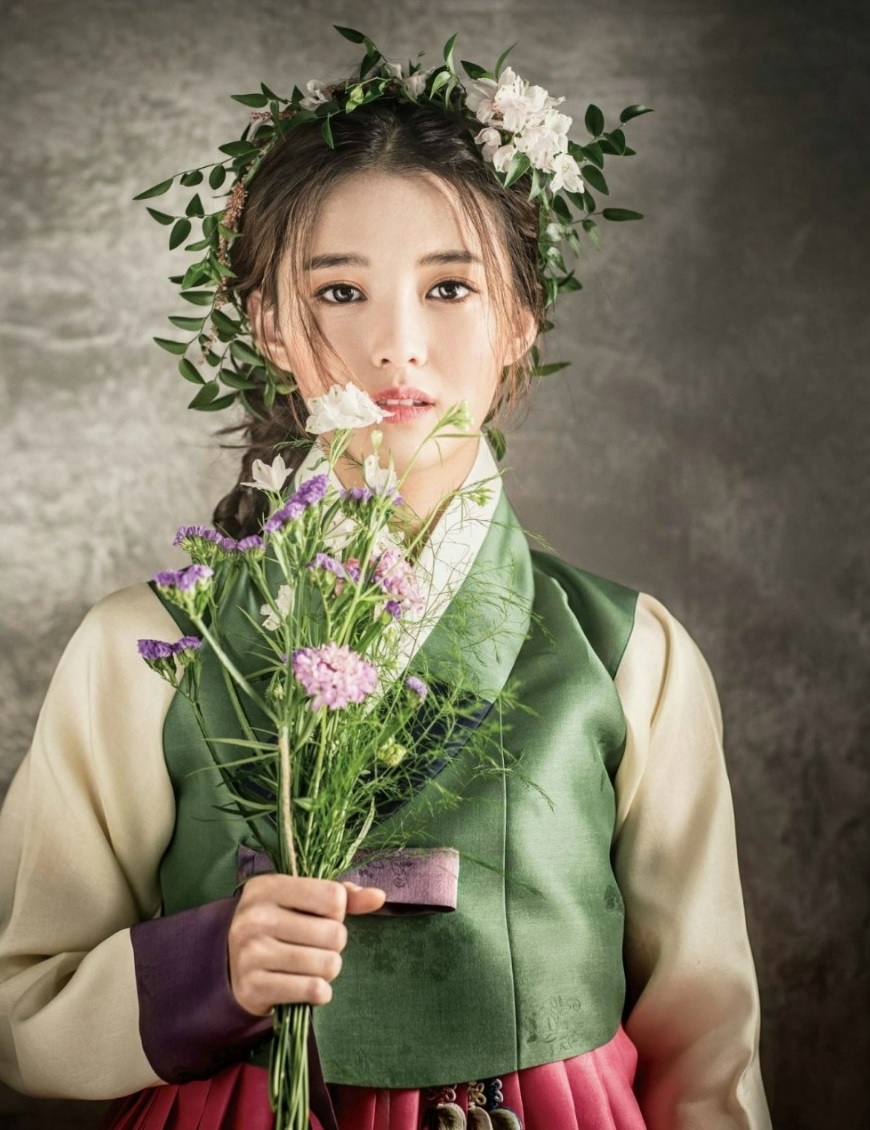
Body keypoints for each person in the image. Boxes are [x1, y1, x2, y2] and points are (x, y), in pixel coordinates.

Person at [0, 30, 772, 1130]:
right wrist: (207, 966)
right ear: (269, 324)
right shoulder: (142, 652)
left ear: (520, 320)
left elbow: (709, 1048)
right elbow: (21, 1004)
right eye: (339, 291)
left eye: (450, 287)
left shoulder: (627, 652)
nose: (397, 345)